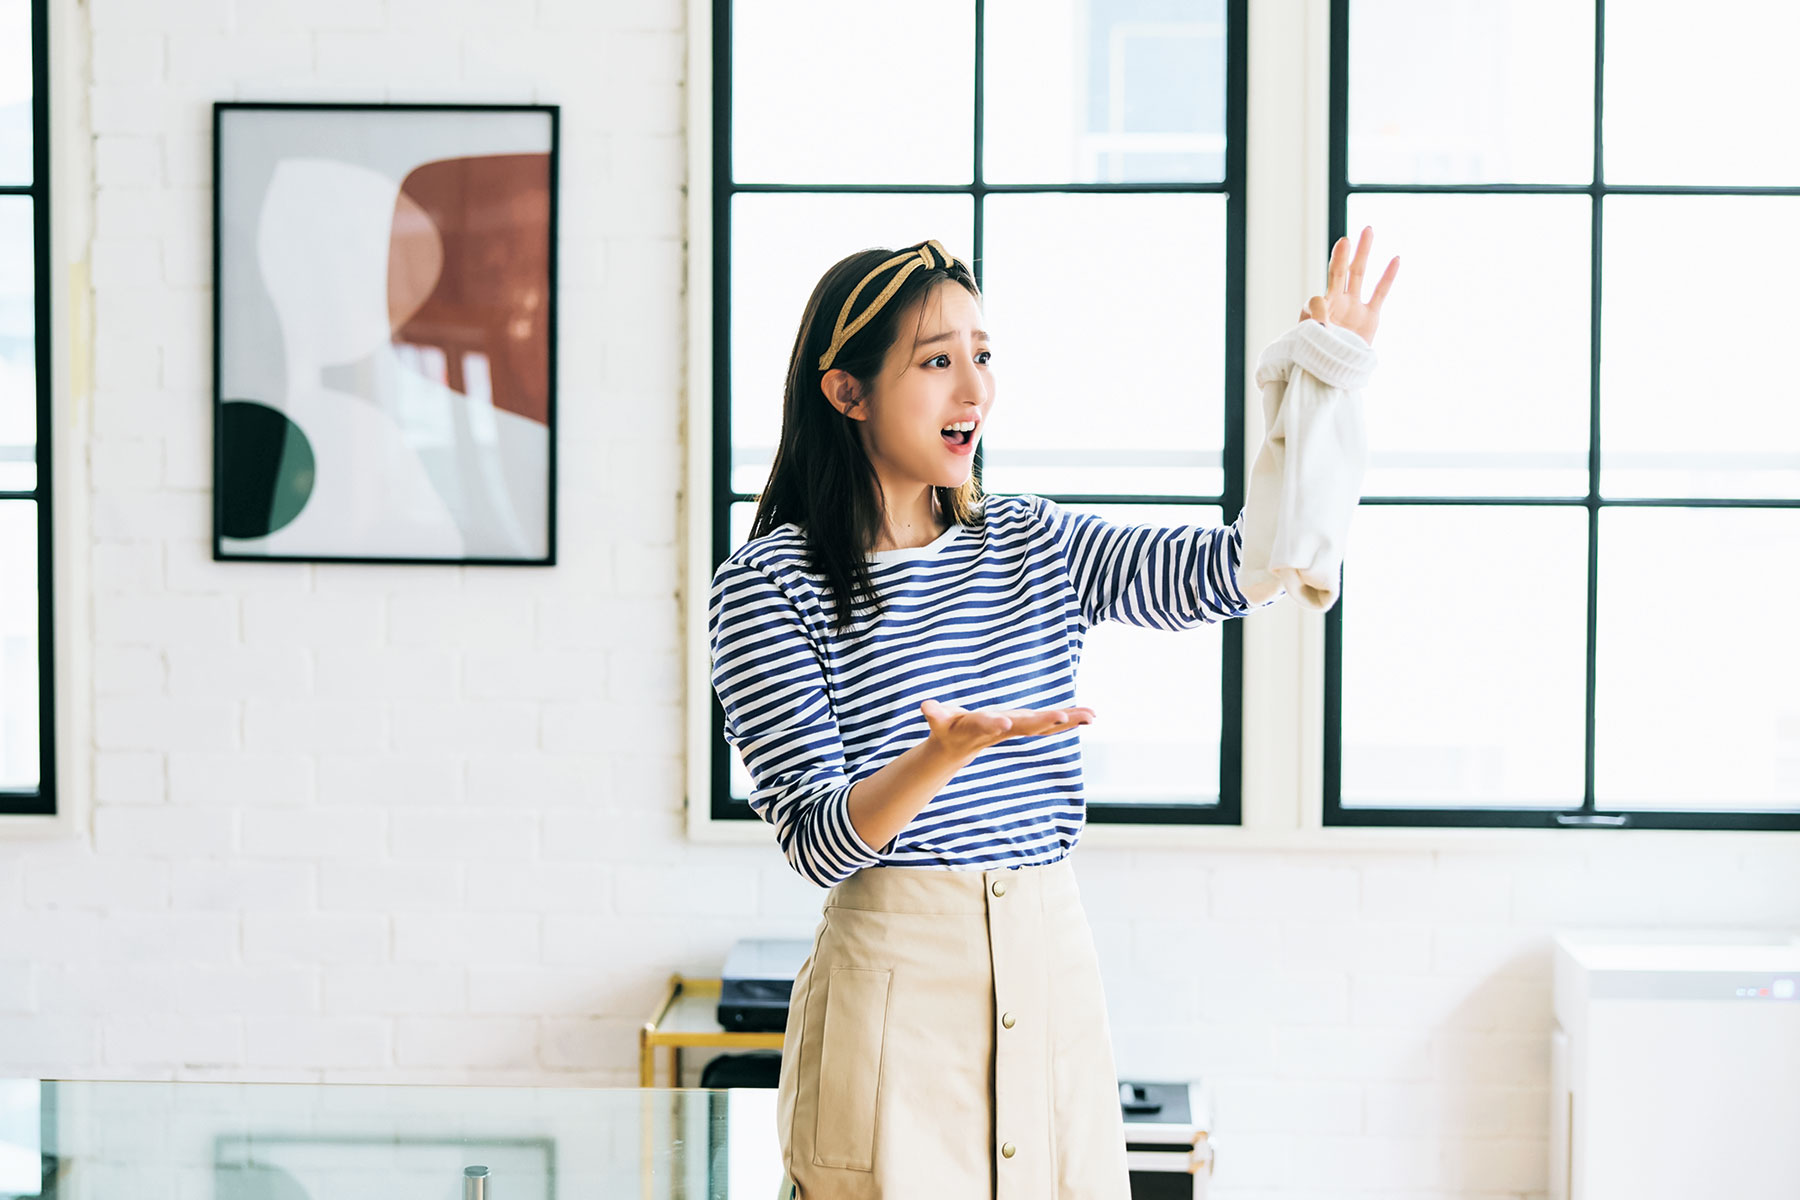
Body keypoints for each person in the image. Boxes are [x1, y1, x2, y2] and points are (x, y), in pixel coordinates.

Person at [707, 234, 1397, 1198]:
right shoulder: (771, 585)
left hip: (1048, 959)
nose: (972, 391)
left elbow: (1239, 570)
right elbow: (817, 843)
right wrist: (937, 758)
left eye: (982, 356)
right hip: (894, 987)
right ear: (846, 392)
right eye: (936, 361)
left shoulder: (1034, 540)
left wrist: (1323, 385)